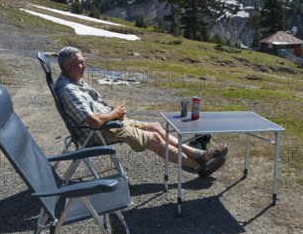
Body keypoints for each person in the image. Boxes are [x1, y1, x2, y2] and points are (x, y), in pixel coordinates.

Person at [54, 46, 228, 178]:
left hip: (110, 123)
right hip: (99, 133)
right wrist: (114, 114)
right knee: (155, 139)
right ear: (67, 65)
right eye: (80, 63)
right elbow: (92, 122)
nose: (85, 66)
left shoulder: (75, 82)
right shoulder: (69, 90)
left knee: (154, 127)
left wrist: (114, 112)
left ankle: (199, 154)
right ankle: (199, 166)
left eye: (84, 61)